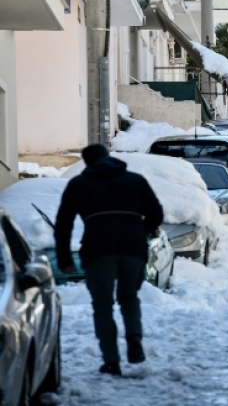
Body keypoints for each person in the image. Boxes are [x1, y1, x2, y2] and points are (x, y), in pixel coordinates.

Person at [55, 144, 164, 376]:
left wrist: (65, 258)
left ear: (86, 162)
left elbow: (64, 224)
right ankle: (134, 337)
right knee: (129, 297)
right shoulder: (135, 180)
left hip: (97, 249)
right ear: (108, 158)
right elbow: (157, 213)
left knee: (102, 306)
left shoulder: (78, 184)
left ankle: (111, 361)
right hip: (133, 249)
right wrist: (138, 230)